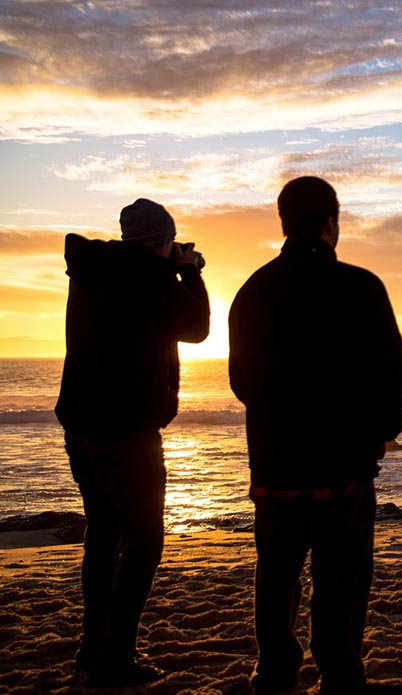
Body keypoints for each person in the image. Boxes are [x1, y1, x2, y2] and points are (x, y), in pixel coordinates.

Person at [229, 176, 402, 695]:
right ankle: (340, 674)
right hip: (344, 465)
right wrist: (378, 433)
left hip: (276, 462)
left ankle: (275, 673)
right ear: (333, 222)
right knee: (342, 579)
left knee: (277, 573)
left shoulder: (254, 289)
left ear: (283, 222)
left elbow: (242, 380)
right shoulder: (361, 285)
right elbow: (392, 373)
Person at [55, 198, 210, 687]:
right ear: (163, 240)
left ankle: (90, 649)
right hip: (129, 432)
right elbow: (199, 328)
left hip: (82, 428)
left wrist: (169, 266)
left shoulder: (90, 272)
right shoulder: (150, 276)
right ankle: (116, 654)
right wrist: (190, 272)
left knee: (102, 537)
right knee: (143, 543)